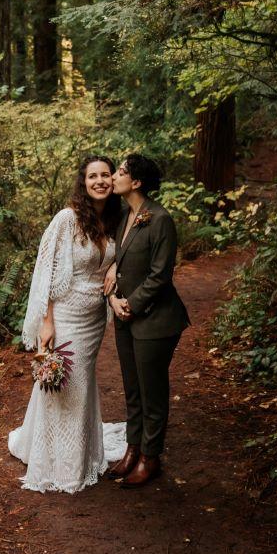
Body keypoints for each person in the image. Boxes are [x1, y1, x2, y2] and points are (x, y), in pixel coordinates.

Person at [8, 156, 127, 493]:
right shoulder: (67, 219)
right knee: (64, 382)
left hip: (93, 318)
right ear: (83, 182)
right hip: (66, 312)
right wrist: (47, 323)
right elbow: (46, 271)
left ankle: (79, 452)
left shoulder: (117, 220)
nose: (100, 181)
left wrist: (115, 269)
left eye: (106, 175)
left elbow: (123, 254)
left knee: (82, 381)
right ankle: (59, 463)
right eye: (93, 176)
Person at [103, 153, 190, 488]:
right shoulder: (125, 213)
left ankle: (151, 458)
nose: (114, 177)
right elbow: (119, 259)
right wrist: (114, 288)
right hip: (125, 316)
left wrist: (130, 304)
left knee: (152, 392)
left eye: (121, 172)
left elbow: (160, 276)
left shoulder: (160, 219)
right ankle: (132, 448)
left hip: (156, 321)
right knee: (132, 389)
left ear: (136, 182)